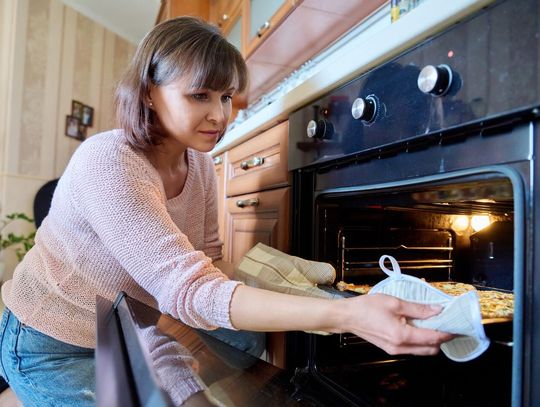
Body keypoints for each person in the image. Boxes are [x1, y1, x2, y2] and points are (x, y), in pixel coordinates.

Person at [0, 16, 452, 406]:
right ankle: (21, 387)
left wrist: (291, 284)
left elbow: (207, 260)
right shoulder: (109, 161)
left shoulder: (198, 162)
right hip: (49, 340)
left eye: (225, 97)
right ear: (149, 93)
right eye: (200, 95)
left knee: (232, 352)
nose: (220, 115)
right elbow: (187, 291)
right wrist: (349, 315)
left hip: (126, 323)